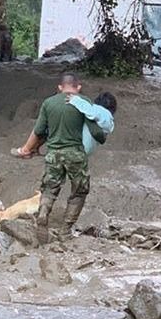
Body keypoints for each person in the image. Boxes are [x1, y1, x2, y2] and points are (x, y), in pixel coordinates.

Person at [29, 73, 107, 244]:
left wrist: (29, 148)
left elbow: (39, 130)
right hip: (75, 154)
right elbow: (95, 131)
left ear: (59, 87)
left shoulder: (49, 103)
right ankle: (65, 231)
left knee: (49, 188)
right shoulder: (82, 101)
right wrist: (102, 137)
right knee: (79, 191)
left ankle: (43, 214)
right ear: (78, 87)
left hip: (53, 154)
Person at [11, 91, 117, 158]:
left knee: (48, 126)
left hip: (73, 148)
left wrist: (76, 100)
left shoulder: (103, 113)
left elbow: (91, 111)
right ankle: (34, 149)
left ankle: (26, 150)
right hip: (83, 152)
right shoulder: (109, 123)